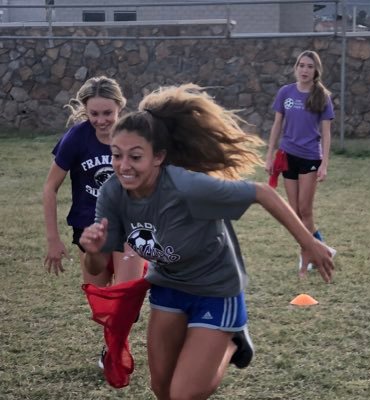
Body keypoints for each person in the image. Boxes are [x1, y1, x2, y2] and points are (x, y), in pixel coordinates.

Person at [79, 83, 334, 400]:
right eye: (116, 155)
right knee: (162, 390)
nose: (123, 166)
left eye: (135, 156)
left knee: (183, 395)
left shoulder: (187, 188)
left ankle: (232, 341)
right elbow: (99, 264)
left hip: (215, 290)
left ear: (158, 157)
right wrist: (92, 252)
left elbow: (262, 192)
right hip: (169, 287)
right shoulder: (112, 192)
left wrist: (308, 242)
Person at [42, 76, 145, 366]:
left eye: (108, 113)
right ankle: (113, 345)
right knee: (102, 302)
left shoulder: (135, 136)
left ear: (120, 108)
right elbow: (50, 187)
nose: (101, 120)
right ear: (86, 111)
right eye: (94, 113)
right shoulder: (76, 138)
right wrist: (53, 239)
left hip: (127, 228)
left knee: (126, 300)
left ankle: (116, 353)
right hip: (89, 230)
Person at [265, 50, 336, 275]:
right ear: (296, 67)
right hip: (288, 156)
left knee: (305, 210)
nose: (305, 70)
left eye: (310, 66)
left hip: (310, 158)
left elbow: (326, 134)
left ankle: (307, 254)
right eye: (302, 65)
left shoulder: (321, 96)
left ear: (316, 71)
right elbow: (277, 125)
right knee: (294, 212)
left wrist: (324, 163)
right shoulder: (285, 92)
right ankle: (321, 248)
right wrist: (270, 154)